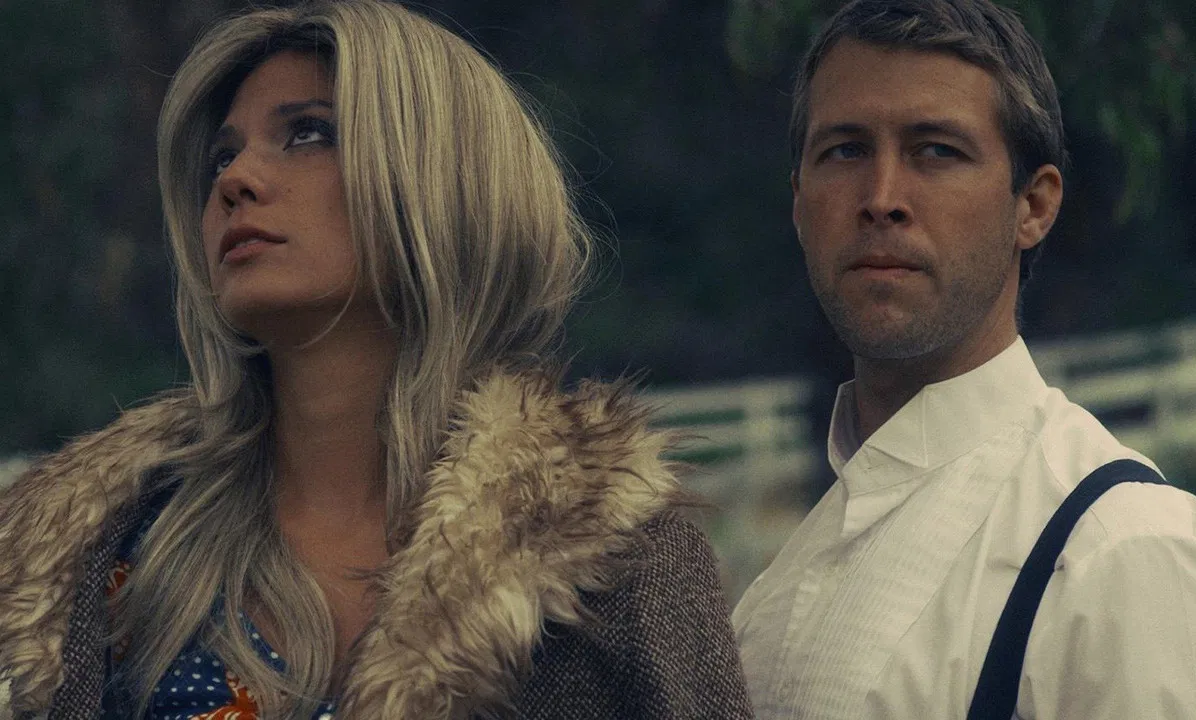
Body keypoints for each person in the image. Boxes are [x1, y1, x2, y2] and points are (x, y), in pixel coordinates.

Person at [0, 1, 753, 718]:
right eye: (223, 156)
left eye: (307, 134)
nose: (234, 179)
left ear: (442, 181)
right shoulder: (99, 551)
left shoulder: (619, 560)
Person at [732, 0, 1196, 717]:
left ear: (1034, 206)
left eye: (936, 151)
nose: (881, 198)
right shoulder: (773, 592)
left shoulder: (1121, 555)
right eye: (845, 150)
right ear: (799, 203)